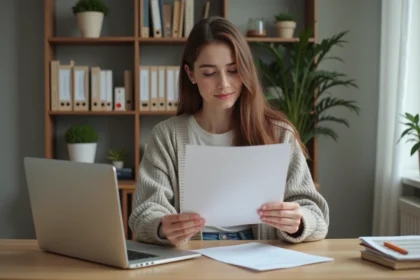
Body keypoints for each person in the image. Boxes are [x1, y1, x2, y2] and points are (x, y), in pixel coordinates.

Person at [128, 16, 329, 246]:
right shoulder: (166, 137)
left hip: (260, 254)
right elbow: (144, 213)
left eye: (233, 70)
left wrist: (299, 221)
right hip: (192, 252)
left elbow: (317, 215)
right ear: (191, 74)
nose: (224, 84)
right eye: (209, 73)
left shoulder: (279, 134)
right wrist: (163, 227)